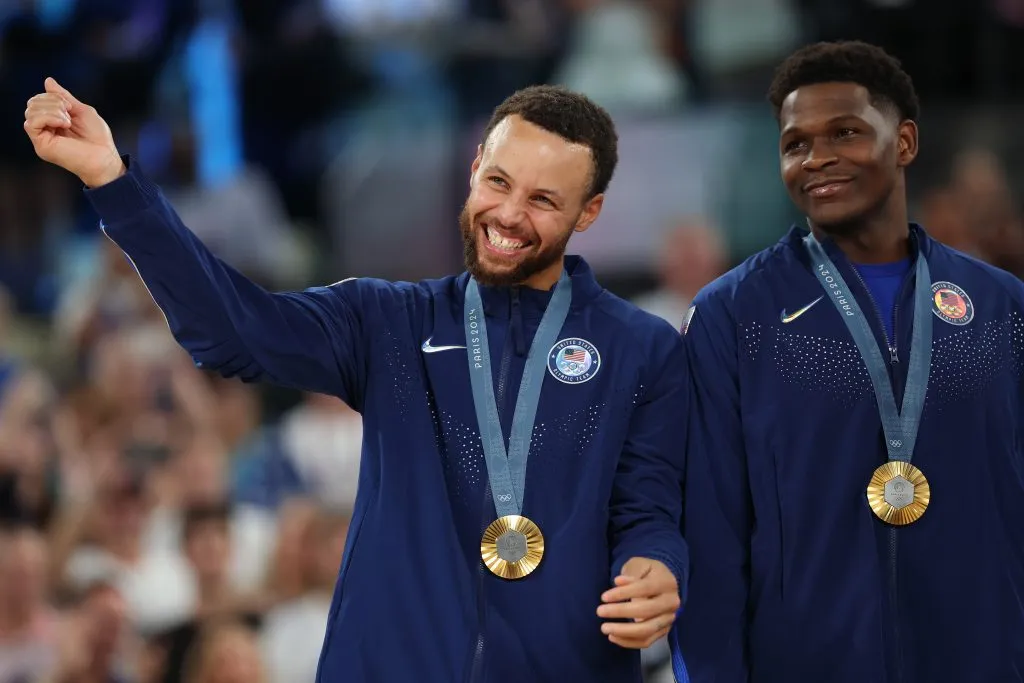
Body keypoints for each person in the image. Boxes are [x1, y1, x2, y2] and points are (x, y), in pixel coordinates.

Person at [24, 80, 689, 683]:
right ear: (474, 167)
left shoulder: (641, 348)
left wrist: (657, 567)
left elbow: (650, 509)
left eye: (543, 200)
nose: (509, 214)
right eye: (499, 181)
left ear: (589, 211)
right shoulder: (387, 321)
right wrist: (113, 182)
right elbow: (229, 329)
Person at [671, 40, 1024, 682]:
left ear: (905, 142)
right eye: (795, 144)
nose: (817, 158)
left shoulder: (1000, 305)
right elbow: (710, 534)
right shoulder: (734, 314)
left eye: (845, 133)